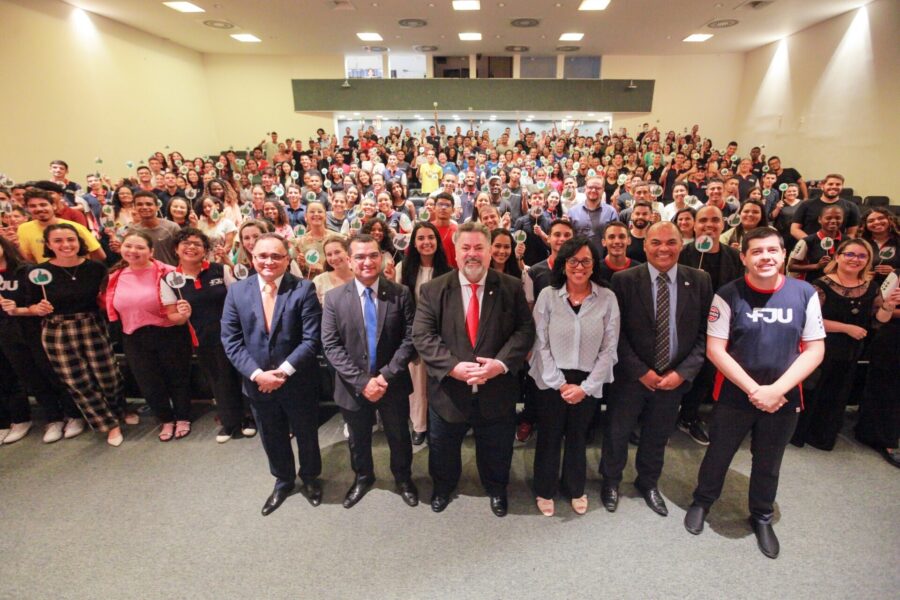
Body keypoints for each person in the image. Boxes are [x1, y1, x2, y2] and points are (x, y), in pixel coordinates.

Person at [685, 227, 826, 560]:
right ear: (744, 257)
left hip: (784, 397)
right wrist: (753, 390)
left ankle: (761, 515)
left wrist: (776, 390)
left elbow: (815, 349)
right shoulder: (728, 294)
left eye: (773, 251)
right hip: (736, 396)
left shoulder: (804, 293)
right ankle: (702, 502)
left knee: (768, 461)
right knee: (718, 454)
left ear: (783, 254)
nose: (766, 257)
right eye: (757, 251)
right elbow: (716, 350)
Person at [412, 221, 535, 517]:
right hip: (449, 392)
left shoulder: (511, 287)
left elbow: (525, 331)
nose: (472, 254)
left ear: (491, 251)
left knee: (497, 449)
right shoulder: (433, 290)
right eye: (465, 248)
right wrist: (452, 367)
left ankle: (496, 489)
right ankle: (443, 488)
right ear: (454, 252)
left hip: (497, 389)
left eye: (479, 248)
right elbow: (423, 336)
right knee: (443, 449)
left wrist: (501, 365)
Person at [599, 221, 713, 517]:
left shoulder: (699, 280)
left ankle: (648, 482)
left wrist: (682, 373)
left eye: (671, 242)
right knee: (617, 432)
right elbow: (615, 332)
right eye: (656, 242)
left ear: (682, 244)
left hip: (673, 378)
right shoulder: (624, 280)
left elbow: (704, 334)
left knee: (657, 434)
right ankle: (610, 481)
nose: (664, 248)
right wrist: (640, 371)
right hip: (631, 376)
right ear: (645, 245)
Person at [221, 234, 323, 516]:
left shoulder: (303, 289)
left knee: (306, 434)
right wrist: (257, 374)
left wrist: (283, 372)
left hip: (298, 380)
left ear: (287, 260)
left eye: (276, 256)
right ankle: (284, 480)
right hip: (258, 384)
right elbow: (231, 340)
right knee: (271, 435)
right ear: (252, 258)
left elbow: (311, 339)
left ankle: (312, 477)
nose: (269, 261)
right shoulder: (237, 292)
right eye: (262, 256)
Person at [321, 234, 419, 509]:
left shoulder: (400, 294)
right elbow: (330, 345)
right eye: (360, 257)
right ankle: (363, 477)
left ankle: (403, 478)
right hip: (353, 386)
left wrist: (385, 377)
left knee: (399, 436)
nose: (367, 262)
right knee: (358, 437)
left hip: (393, 383)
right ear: (350, 261)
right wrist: (364, 382)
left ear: (383, 258)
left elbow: (410, 339)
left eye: (373, 255)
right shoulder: (334, 298)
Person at [11, 224, 128, 446]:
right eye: (58, 241)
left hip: (92, 326)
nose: (66, 245)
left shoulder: (95, 268)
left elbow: (106, 298)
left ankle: (118, 411)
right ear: (48, 244)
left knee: (109, 376)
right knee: (78, 381)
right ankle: (108, 424)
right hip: (57, 331)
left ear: (79, 241)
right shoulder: (36, 273)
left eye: (70, 239)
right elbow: (28, 306)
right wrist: (35, 309)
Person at [530, 237, 620, 516]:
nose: (579, 267)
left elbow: (609, 348)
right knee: (549, 435)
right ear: (563, 264)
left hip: (588, 380)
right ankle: (545, 489)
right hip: (550, 379)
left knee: (578, 436)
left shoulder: (607, 298)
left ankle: (574, 487)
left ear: (594, 265)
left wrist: (587, 387)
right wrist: (559, 383)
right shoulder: (548, 295)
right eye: (573, 261)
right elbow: (539, 342)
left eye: (586, 261)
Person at [792, 239, 881, 451]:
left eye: (861, 256)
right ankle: (800, 434)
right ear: (838, 256)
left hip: (851, 349)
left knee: (837, 393)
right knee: (815, 389)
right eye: (850, 254)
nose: (855, 259)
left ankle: (822, 435)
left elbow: (878, 319)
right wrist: (846, 328)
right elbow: (810, 320)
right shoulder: (821, 284)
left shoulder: (872, 286)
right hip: (823, 347)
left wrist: (887, 307)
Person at [105, 231, 194, 441]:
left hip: (168, 333)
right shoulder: (114, 277)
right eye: (129, 246)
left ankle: (183, 417)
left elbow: (183, 302)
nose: (133, 251)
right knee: (148, 382)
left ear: (151, 251)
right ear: (121, 248)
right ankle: (165, 419)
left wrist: (183, 312)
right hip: (133, 336)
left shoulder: (169, 273)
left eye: (140, 247)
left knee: (177, 377)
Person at [172, 228, 253, 443]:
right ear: (176, 249)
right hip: (203, 339)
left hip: (233, 335)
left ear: (205, 250)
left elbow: (238, 298)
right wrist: (181, 315)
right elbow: (172, 316)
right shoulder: (171, 279)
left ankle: (250, 418)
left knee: (242, 377)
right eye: (186, 243)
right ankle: (230, 422)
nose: (191, 247)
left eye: (197, 244)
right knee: (219, 381)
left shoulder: (219, 270)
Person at [0, 236, 82, 444]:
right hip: (7, 333)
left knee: (53, 373)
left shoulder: (26, 271)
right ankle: (52, 418)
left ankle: (74, 414)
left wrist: (24, 310)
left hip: (36, 330)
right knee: (28, 377)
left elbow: (42, 304)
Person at [676, 205, 744, 444]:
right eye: (703, 220)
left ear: (722, 225)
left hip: (718, 327)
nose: (709, 225)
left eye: (714, 220)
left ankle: (689, 417)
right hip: (683, 325)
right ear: (694, 225)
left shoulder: (734, 257)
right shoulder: (683, 254)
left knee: (705, 374)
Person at [396, 221, 452, 445]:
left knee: (439, 383)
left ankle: (440, 422)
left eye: (431, 238)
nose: (426, 242)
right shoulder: (403, 269)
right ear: (414, 243)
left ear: (438, 242)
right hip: (414, 335)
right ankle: (419, 425)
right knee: (417, 385)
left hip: (440, 336)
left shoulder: (448, 271)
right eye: (421, 238)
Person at [855, 267, 900, 467]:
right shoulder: (896, 275)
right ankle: (883, 439)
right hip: (893, 336)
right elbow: (879, 308)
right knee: (886, 389)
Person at [17, 188, 105, 264]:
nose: (39, 209)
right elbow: (29, 259)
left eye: (43, 205)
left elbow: (99, 255)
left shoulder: (75, 227)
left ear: (54, 206)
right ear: (27, 209)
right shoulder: (23, 229)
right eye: (33, 206)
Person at [790, 173, 859, 240]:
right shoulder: (806, 204)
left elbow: (851, 234)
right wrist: (811, 243)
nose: (834, 186)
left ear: (842, 187)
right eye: (830, 184)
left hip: (837, 248)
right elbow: (794, 229)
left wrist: (841, 246)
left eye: (838, 184)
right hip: (810, 248)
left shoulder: (851, 207)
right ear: (822, 186)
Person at [788, 204, 843, 282]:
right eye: (828, 218)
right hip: (812, 284)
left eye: (838, 218)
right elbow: (791, 267)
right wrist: (816, 266)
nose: (833, 221)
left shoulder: (847, 241)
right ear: (820, 220)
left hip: (838, 284)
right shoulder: (807, 241)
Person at [126, 191, 182, 265]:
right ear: (134, 208)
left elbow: (182, 254)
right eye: (139, 204)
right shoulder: (132, 230)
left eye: (149, 204)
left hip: (169, 273)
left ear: (157, 207)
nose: (144, 207)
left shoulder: (172, 228)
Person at [566, 176, 618, 252]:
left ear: (603, 190)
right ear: (585, 188)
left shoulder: (611, 212)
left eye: (597, 188)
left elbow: (615, 237)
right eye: (590, 187)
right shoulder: (572, 212)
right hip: (579, 259)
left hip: (603, 260)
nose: (593, 190)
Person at [312, 236, 355, 305]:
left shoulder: (360, 278)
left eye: (337, 252)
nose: (334, 258)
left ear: (347, 252)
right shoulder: (319, 281)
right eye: (329, 254)